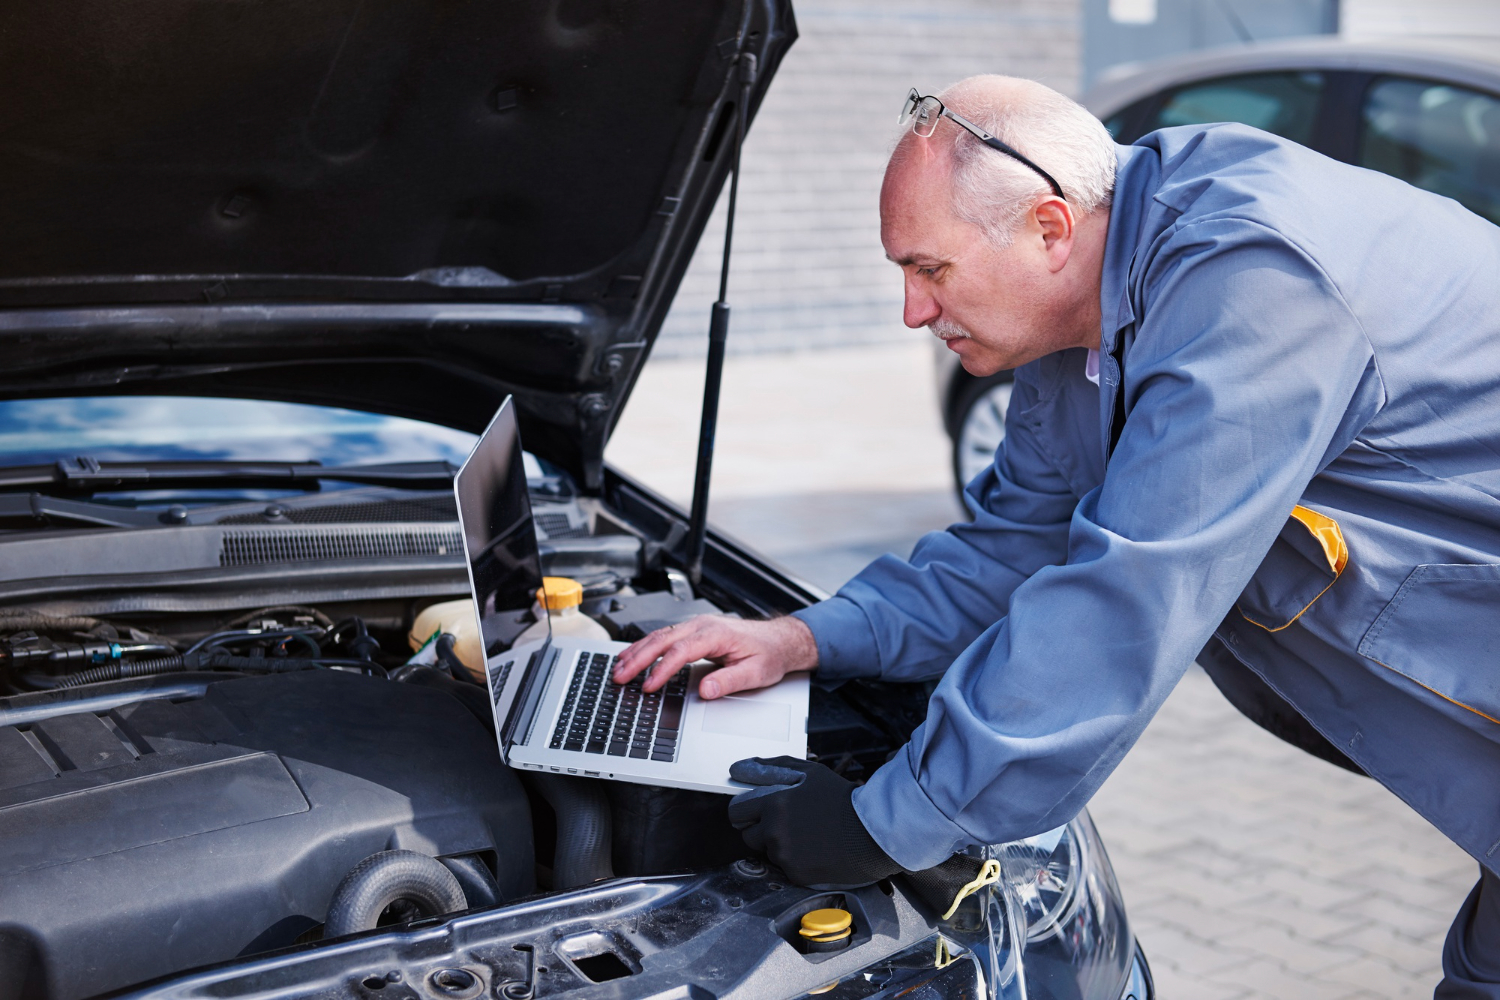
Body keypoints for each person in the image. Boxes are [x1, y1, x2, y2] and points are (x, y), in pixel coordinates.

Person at [612, 75, 1500, 995]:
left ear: (1048, 228)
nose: (912, 313)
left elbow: (1127, 602)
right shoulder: (1081, 324)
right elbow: (1015, 547)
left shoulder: (1254, 281)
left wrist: (893, 819)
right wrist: (801, 638)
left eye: (929, 269)